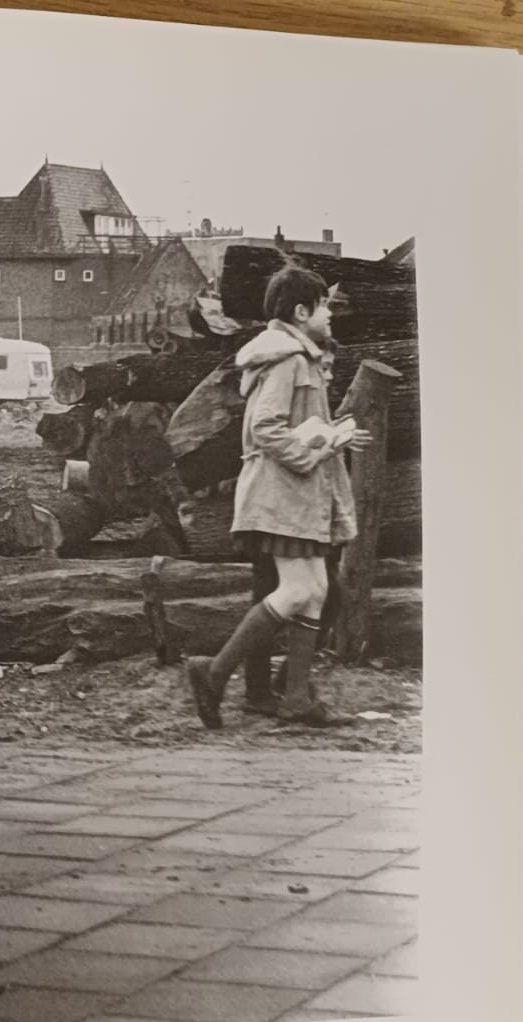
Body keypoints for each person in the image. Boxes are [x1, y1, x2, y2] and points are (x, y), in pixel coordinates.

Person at [185, 264, 372, 728]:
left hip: (295, 495)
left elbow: (294, 426)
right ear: (301, 312)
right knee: (299, 591)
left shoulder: (300, 358)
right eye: (324, 306)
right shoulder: (289, 360)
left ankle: (295, 699)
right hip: (281, 495)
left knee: (316, 591)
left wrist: (333, 434)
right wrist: (318, 448)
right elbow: (266, 428)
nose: (331, 314)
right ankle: (214, 672)